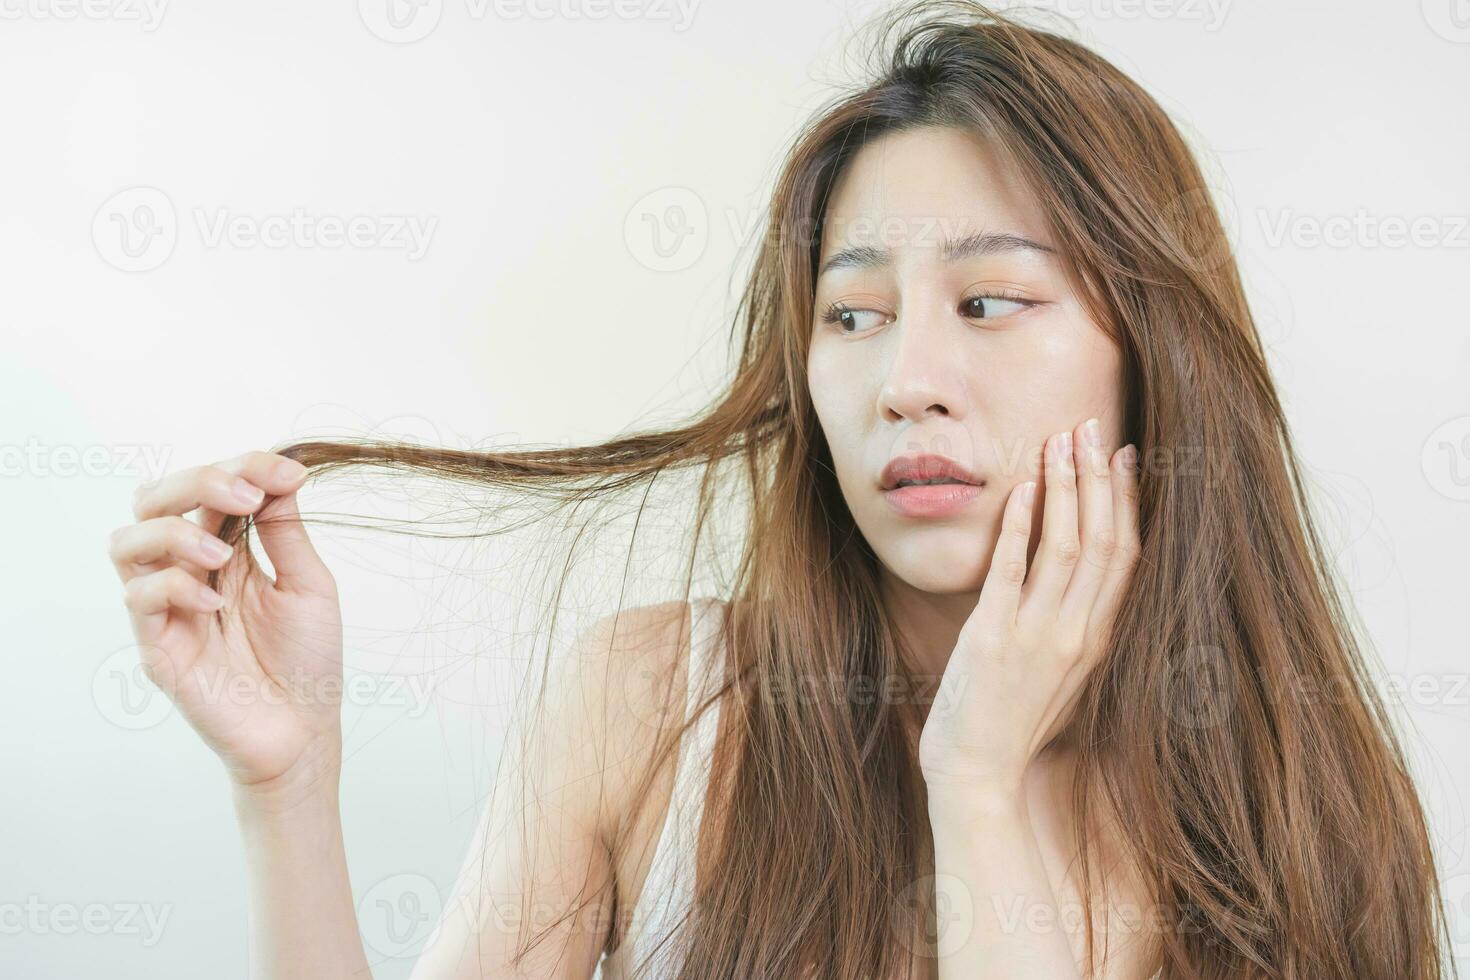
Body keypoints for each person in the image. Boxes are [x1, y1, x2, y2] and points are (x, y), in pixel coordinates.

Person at [105, 2, 1455, 977]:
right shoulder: (655, 701)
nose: (904, 379)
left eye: (987, 301)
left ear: (1149, 360)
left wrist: (973, 784)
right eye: (851, 314)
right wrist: (287, 784)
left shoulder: (1293, 792)